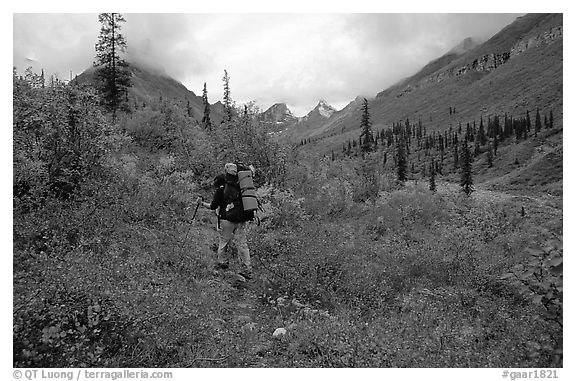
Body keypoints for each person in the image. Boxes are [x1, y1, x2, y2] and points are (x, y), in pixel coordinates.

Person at [198, 163, 253, 280]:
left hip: (226, 220)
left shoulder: (221, 190)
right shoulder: (240, 187)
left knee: (223, 242)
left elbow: (213, 206)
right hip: (242, 219)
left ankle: (223, 263)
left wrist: (202, 203)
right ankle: (247, 268)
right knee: (242, 243)